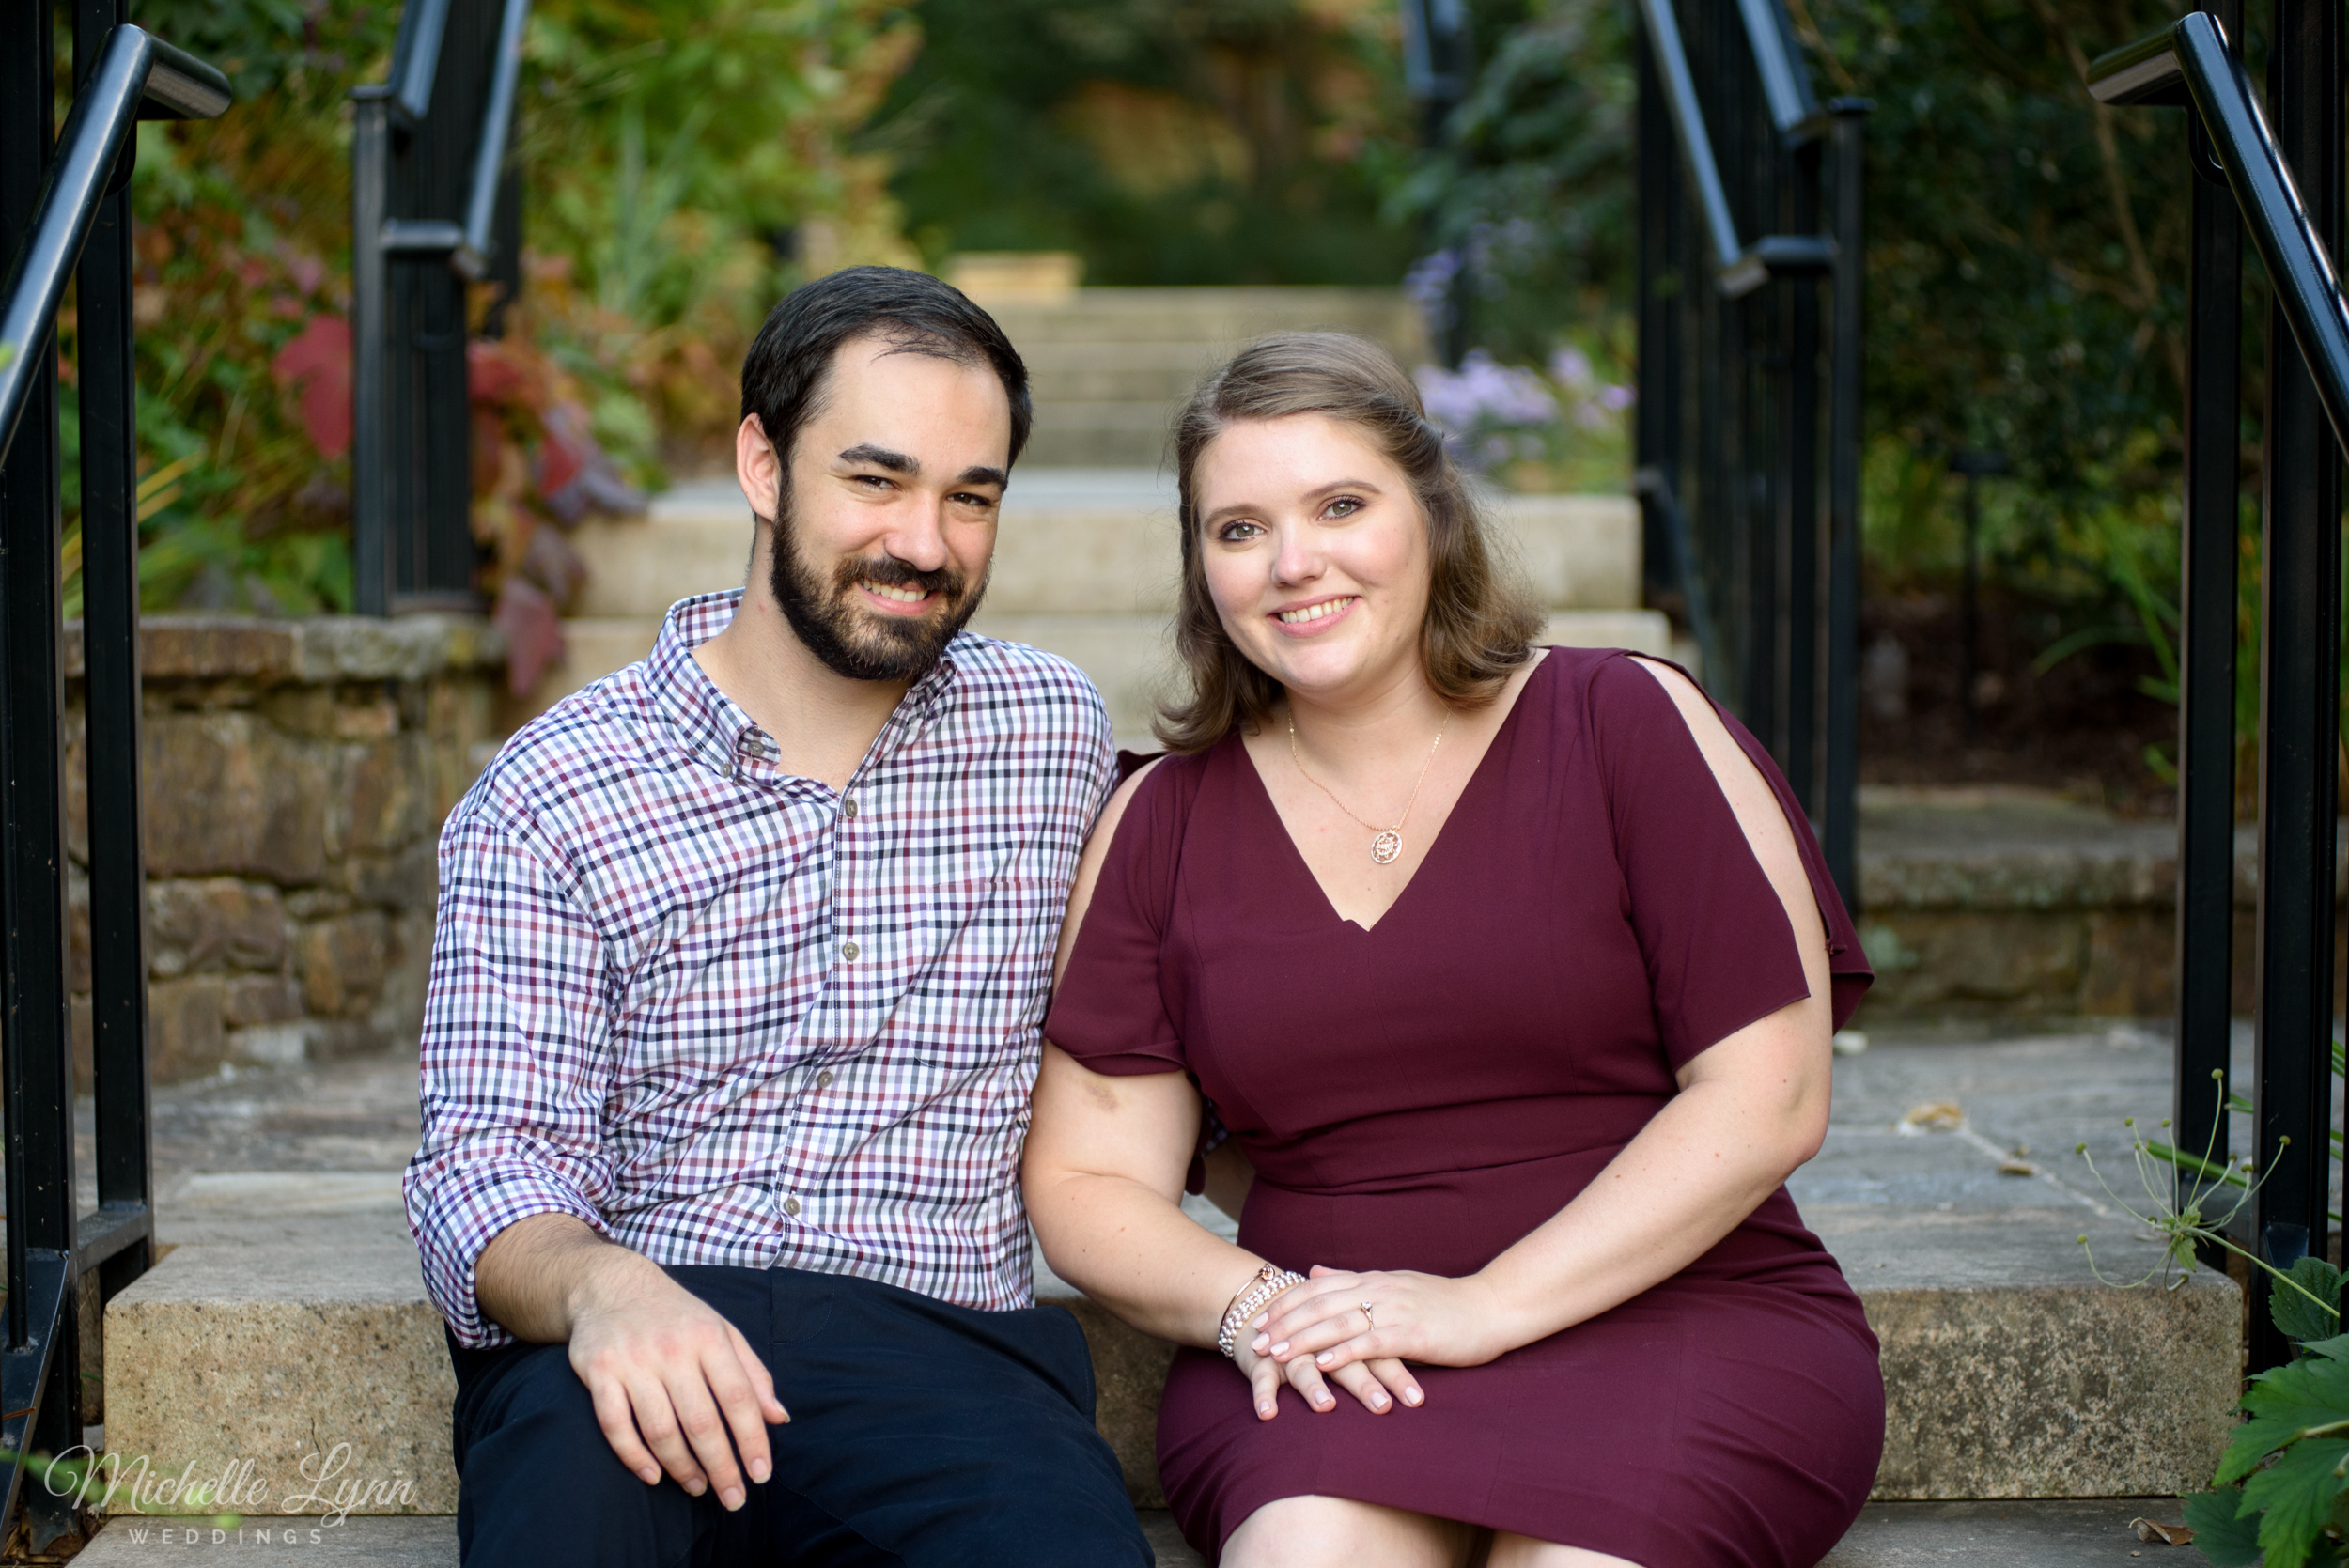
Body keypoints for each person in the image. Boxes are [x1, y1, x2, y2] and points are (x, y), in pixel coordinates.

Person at [1024, 332, 1884, 1568]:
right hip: (1334, 1342)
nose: (1292, 562)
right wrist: (1256, 1306)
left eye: (1339, 505)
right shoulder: (1160, 820)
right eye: (1239, 528)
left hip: (1679, 1309)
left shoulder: (1624, 723)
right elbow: (1089, 1178)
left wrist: (1484, 1305)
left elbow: (1771, 1095)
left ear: (1431, 514)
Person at [403, 265, 1152, 1568]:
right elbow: (487, 1159)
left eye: (970, 497)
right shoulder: (552, 792)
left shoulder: (1052, 733)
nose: (924, 541)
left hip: (949, 1359)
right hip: (634, 1345)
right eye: (876, 479)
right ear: (763, 463)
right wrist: (602, 1287)